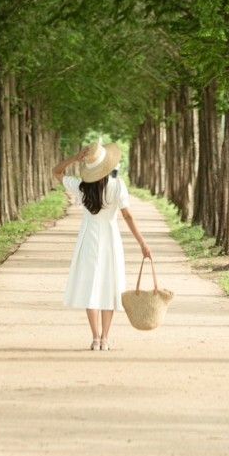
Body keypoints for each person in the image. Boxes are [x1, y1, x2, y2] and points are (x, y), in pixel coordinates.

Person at [53, 138, 152, 350]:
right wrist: (142, 243)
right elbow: (127, 216)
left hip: (88, 238)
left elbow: (57, 172)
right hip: (110, 239)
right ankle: (106, 338)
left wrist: (74, 158)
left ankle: (95, 337)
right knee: (109, 286)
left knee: (91, 286)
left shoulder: (82, 187)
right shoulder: (118, 185)